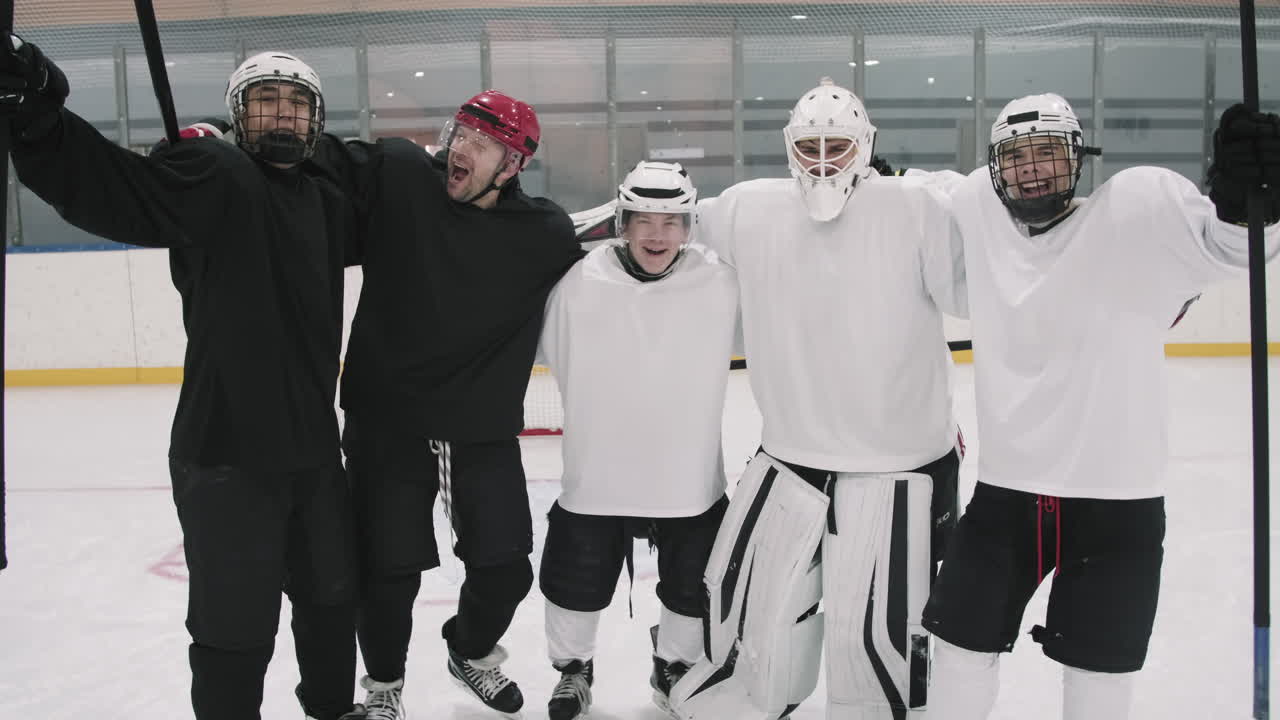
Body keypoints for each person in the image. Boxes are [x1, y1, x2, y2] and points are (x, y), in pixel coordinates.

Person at [1, 39, 365, 720]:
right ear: (238, 114)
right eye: (265, 101)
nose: (281, 116)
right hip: (226, 454)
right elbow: (116, 190)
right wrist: (36, 114)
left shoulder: (326, 199)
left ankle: (332, 708)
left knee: (331, 596)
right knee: (235, 624)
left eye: (295, 103)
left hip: (314, 451)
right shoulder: (216, 176)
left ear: (315, 121)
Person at [916, 94, 1280, 720]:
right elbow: (915, 196)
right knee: (957, 646)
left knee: (1099, 673)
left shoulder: (1137, 214)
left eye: (1047, 153)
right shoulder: (978, 209)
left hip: (1119, 501)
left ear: (1078, 156)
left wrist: (1253, 203)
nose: (1031, 168)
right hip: (1007, 495)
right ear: (997, 166)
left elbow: (1233, 250)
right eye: (1017, 156)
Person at [649, 77, 967, 720]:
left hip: (902, 465)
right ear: (789, 146)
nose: (824, 161)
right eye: (811, 145)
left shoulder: (918, 205)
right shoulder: (748, 209)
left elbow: (988, 269)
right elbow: (660, 231)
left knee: (879, 642)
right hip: (791, 456)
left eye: (840, 146)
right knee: (757, 625)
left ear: (867, 145)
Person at [312, 91, 584, 718]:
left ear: (513, 166)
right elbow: (312, 160)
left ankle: (469, 650)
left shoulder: (541, 233)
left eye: (483, 144)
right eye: (460, 133)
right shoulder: (403, 178)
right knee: (388, 576)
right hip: (387, 425)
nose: (461, 148)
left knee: (507, 569)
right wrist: (222, 140)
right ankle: (383, 689)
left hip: (477, 430)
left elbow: (614, 275)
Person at [536, 161, 737, 720]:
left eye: (671, 221)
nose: (657, 234)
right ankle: (573, 669)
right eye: (643, 219)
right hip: (598, 474)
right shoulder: (578, 282)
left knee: (693, 583)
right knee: (573, 581)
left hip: (688, 477)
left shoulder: (720, 280)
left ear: (690, 225)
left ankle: (673, 665)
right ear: (621, 221)